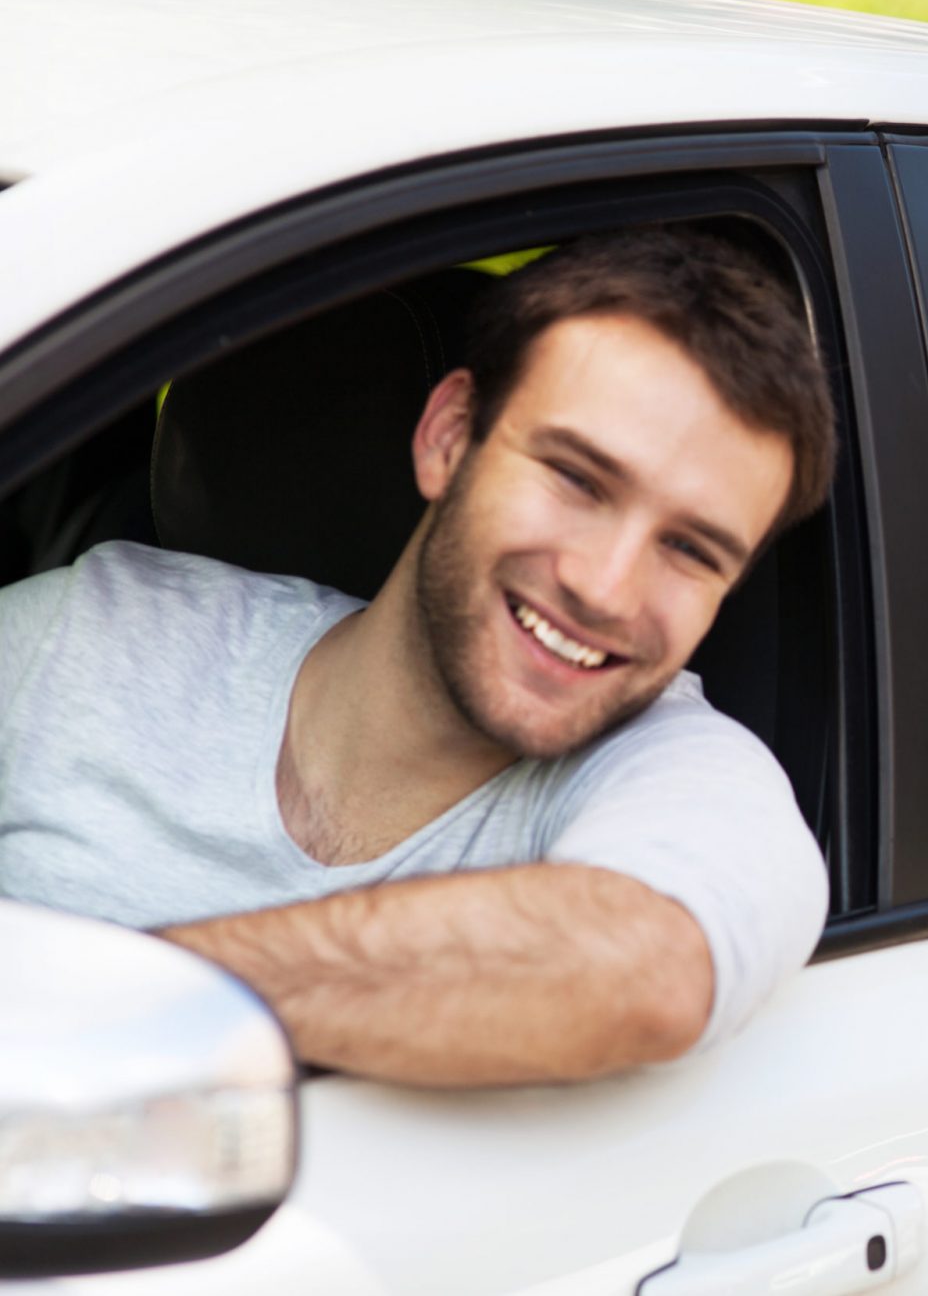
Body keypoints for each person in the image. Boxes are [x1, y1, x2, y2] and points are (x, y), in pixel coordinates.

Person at [0, 226, 837, 1086]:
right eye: (577, 480)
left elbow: (651, 966)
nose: (608, 590)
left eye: (692, 551)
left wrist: (99, 1014)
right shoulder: (87, 634)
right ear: (448, 436)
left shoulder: (693, 774)